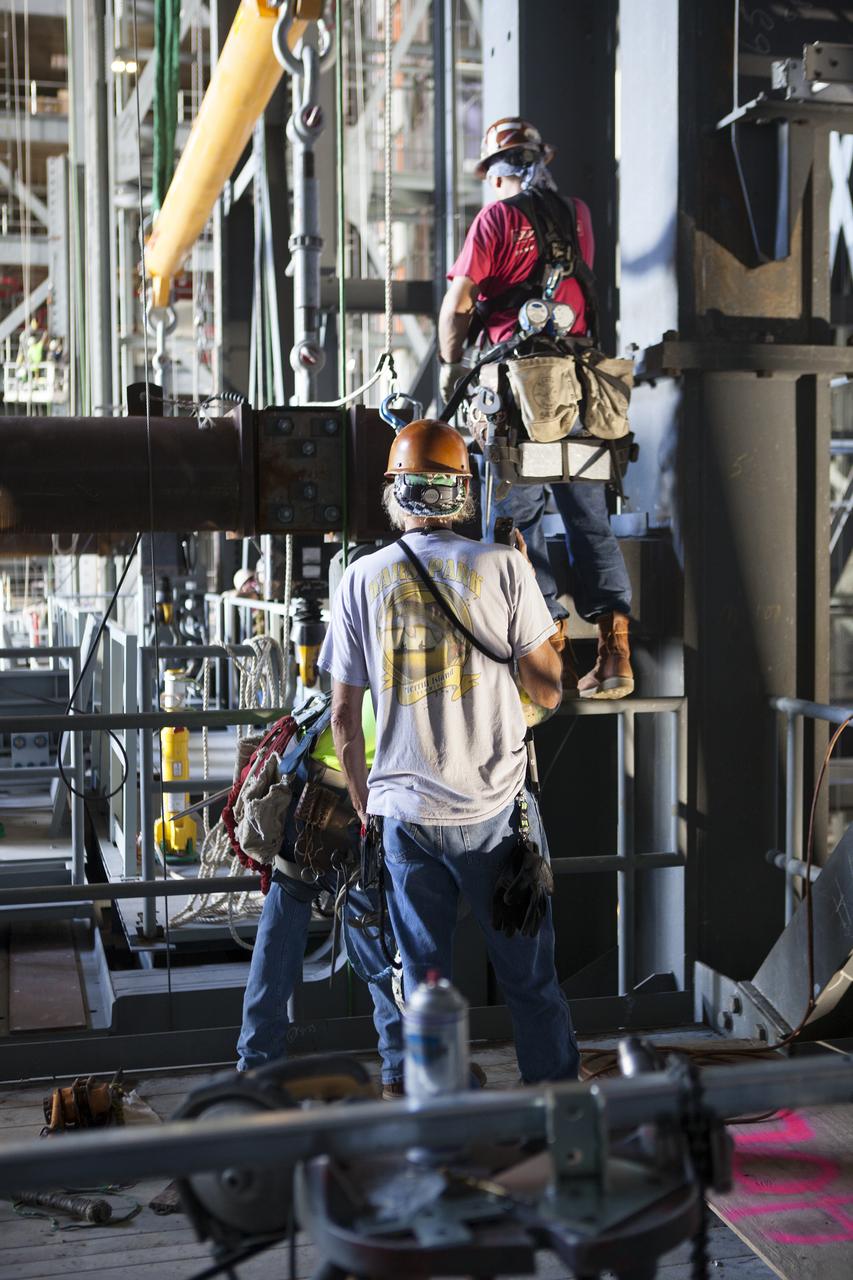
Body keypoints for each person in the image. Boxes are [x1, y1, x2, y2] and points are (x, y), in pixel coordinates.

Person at [318, 418, 579, 1083]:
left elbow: (343, 718)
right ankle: (556, 1112)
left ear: (395, 492)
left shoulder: (359, 578)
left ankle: (434, 1118)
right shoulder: (503, 567)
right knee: (529, 981)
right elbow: (548, 692)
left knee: (422, 987)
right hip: (495, 815)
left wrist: (368, 804)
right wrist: (540, 615)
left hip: (404, 817)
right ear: (462, 493)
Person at [438, 117, 633, 700]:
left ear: (494, 174)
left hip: (521, 396)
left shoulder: (496, 219)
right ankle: (615, 656)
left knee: (516, 527)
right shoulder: (578, 215)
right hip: (581, 390)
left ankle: (551, 663)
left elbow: (458, 303)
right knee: (589, 521)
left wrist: (451, 361)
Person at [236, 694, 405, 1098]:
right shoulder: (404, 685)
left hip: (303, 797)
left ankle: (255, 1066)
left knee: (278, 939)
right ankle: (400, 1071)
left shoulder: (363, 669)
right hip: (347, 811)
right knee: (379, 946)